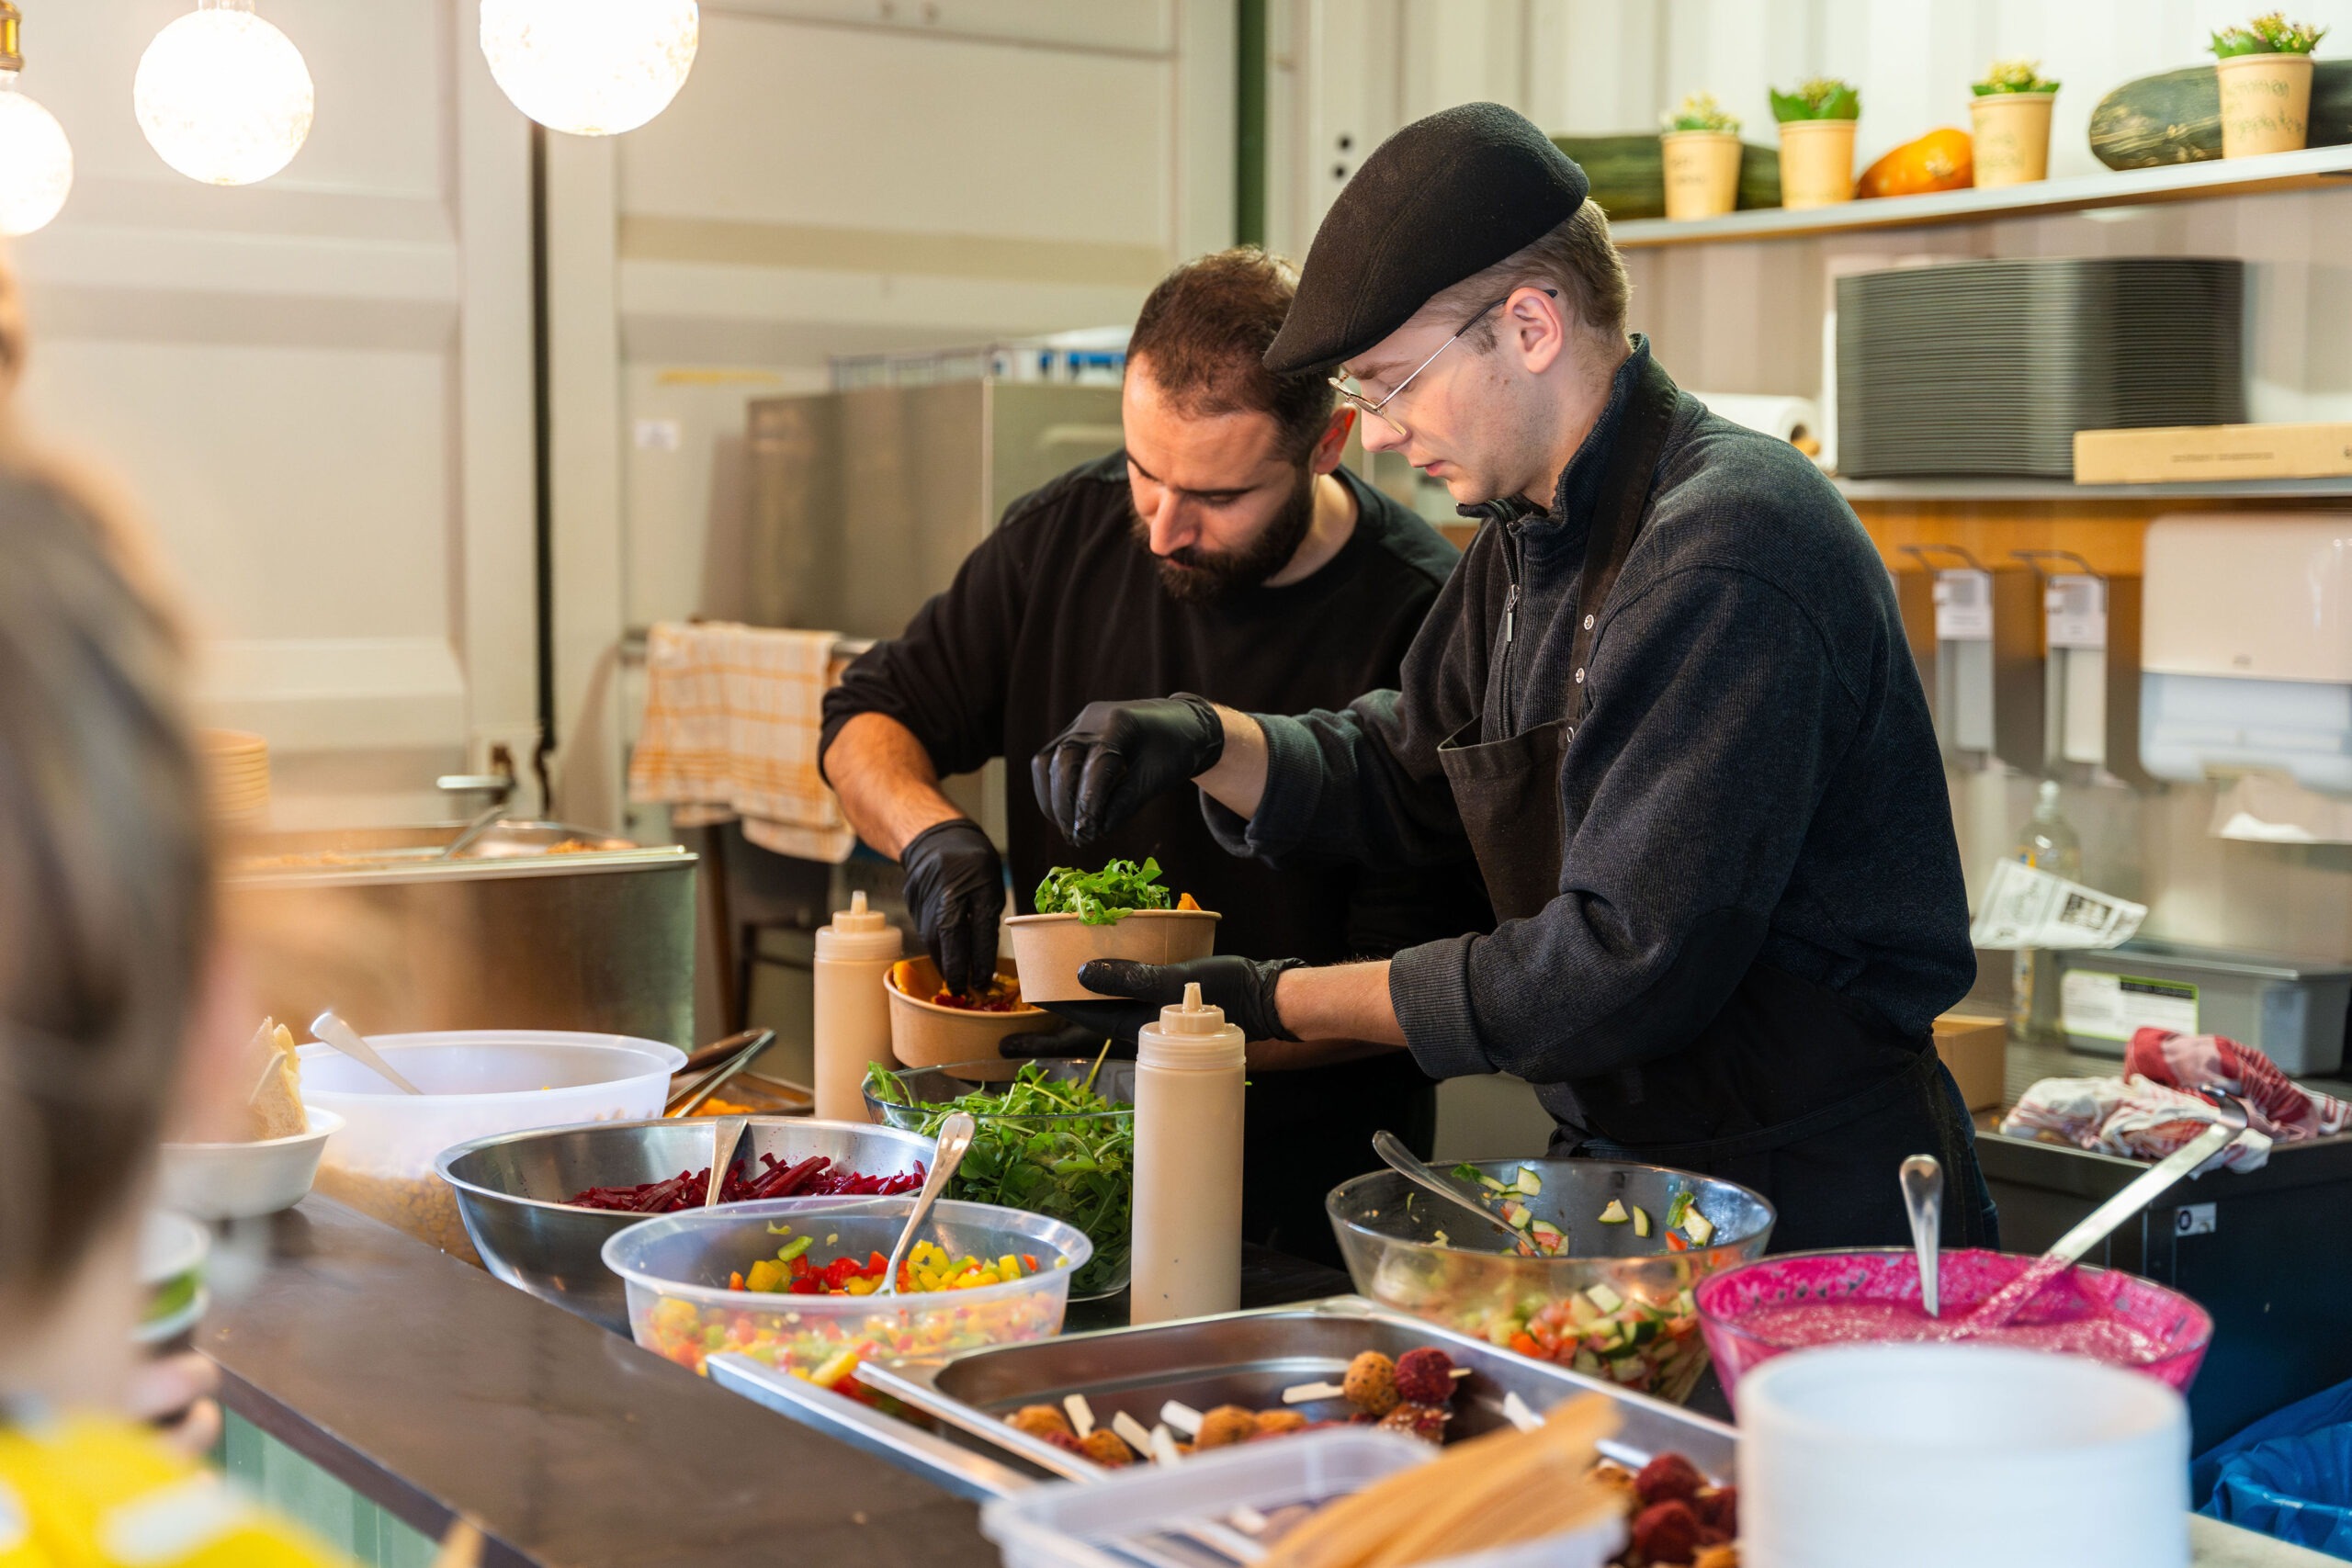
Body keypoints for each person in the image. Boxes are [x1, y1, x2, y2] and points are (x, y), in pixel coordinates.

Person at [1028, 105, 1996, 1255]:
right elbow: (1411, 764)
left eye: (1389, 384)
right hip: (1633, 1181)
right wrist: (1206, 738)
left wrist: (1269, 998)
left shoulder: (1729, 545)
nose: (1377, 436)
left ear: (1530, 325)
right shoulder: (1524, 533)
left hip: (1807, 1206)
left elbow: (1613, 966)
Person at [820, 248, 1487, 1262]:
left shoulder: (1424, 617)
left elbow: (1417, 984)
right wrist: (929, 834)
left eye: (1218, 495)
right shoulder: (1067, 532)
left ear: (1329, 442)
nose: (1165, 529)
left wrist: (1174, 1037)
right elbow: (868, 718)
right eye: (1144, 472)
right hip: (1058, 1158)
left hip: (1295, 1191)